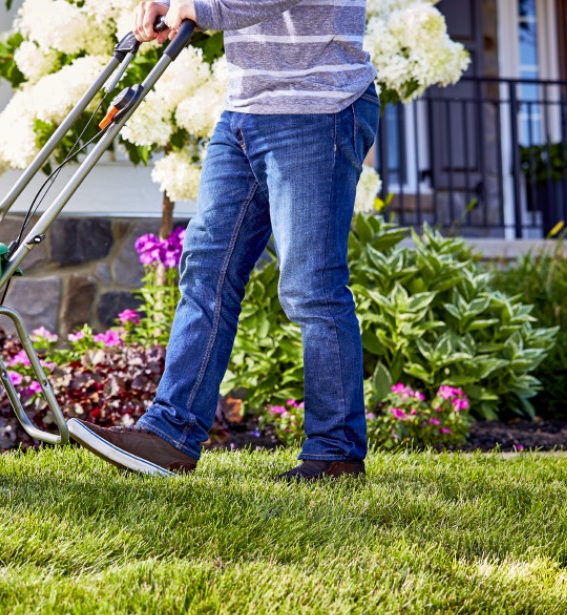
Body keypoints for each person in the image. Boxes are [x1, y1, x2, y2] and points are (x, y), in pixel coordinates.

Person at [67, 0, 379, 481]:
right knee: (206, 272)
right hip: (243, 112)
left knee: (311, 287)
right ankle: (171, 433)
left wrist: (199, 7)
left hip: (318, 107)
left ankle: (335, 451)